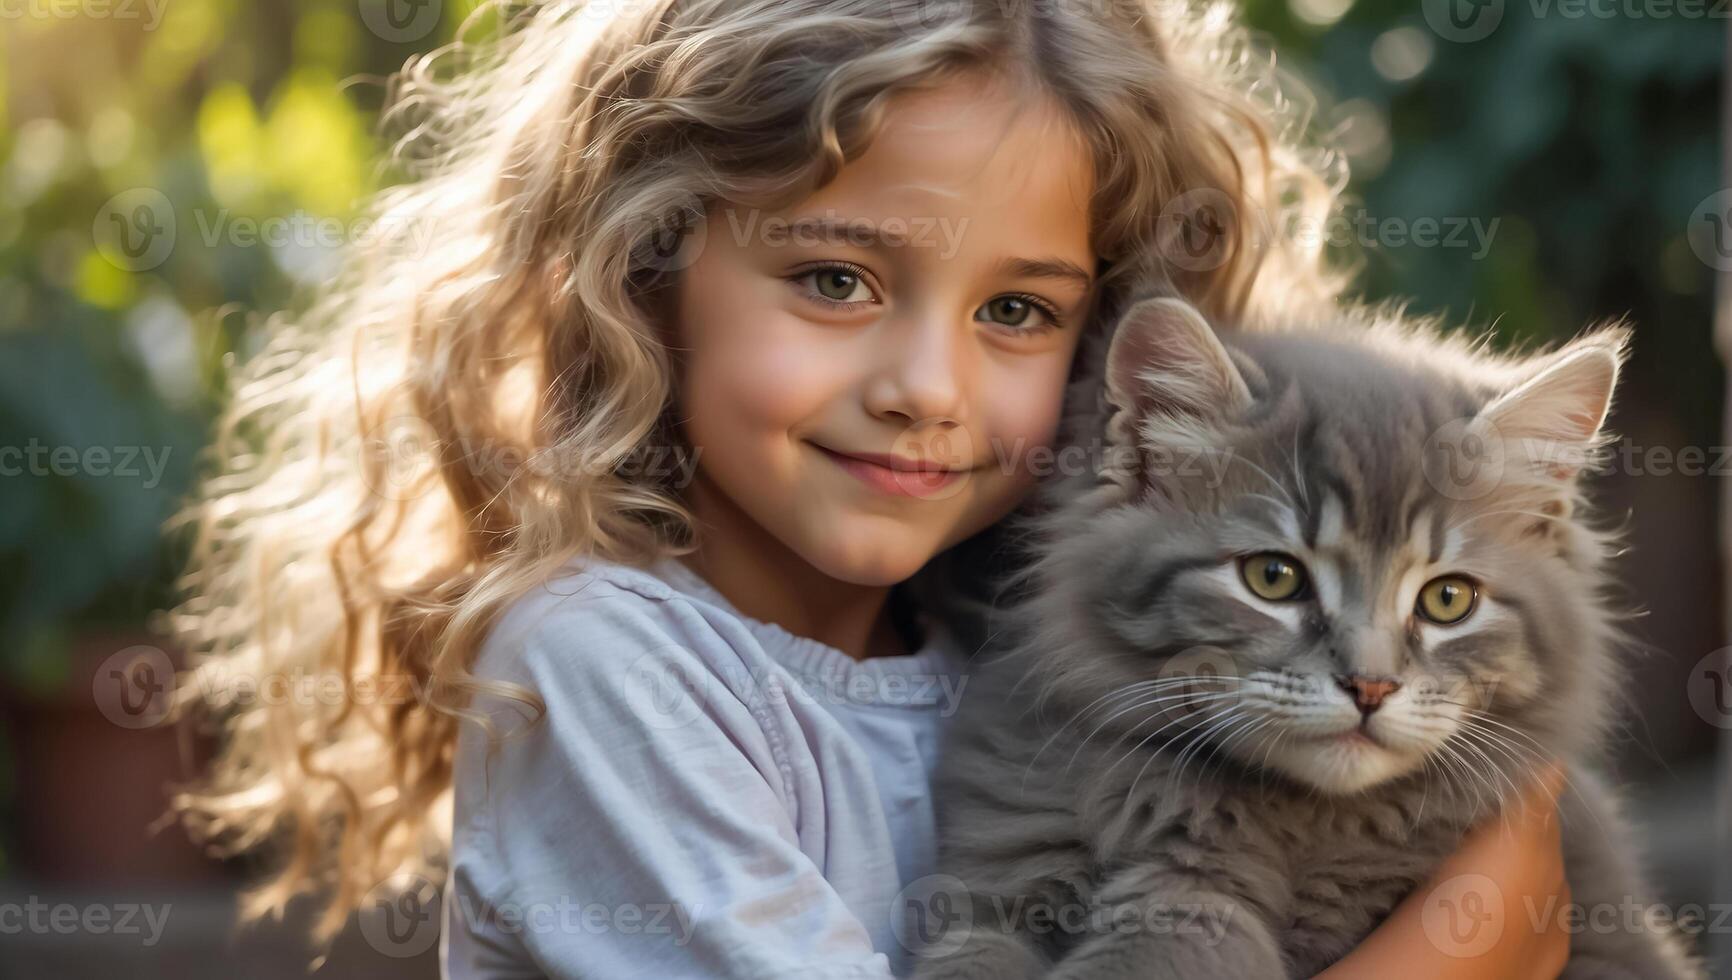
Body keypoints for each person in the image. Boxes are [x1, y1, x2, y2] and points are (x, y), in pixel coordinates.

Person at [167, 1, 1572, 976]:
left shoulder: (1037, 648)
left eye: (1018, 314)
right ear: (642, 271)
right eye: (835, 280)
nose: (929, 387)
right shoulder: (610, 670)